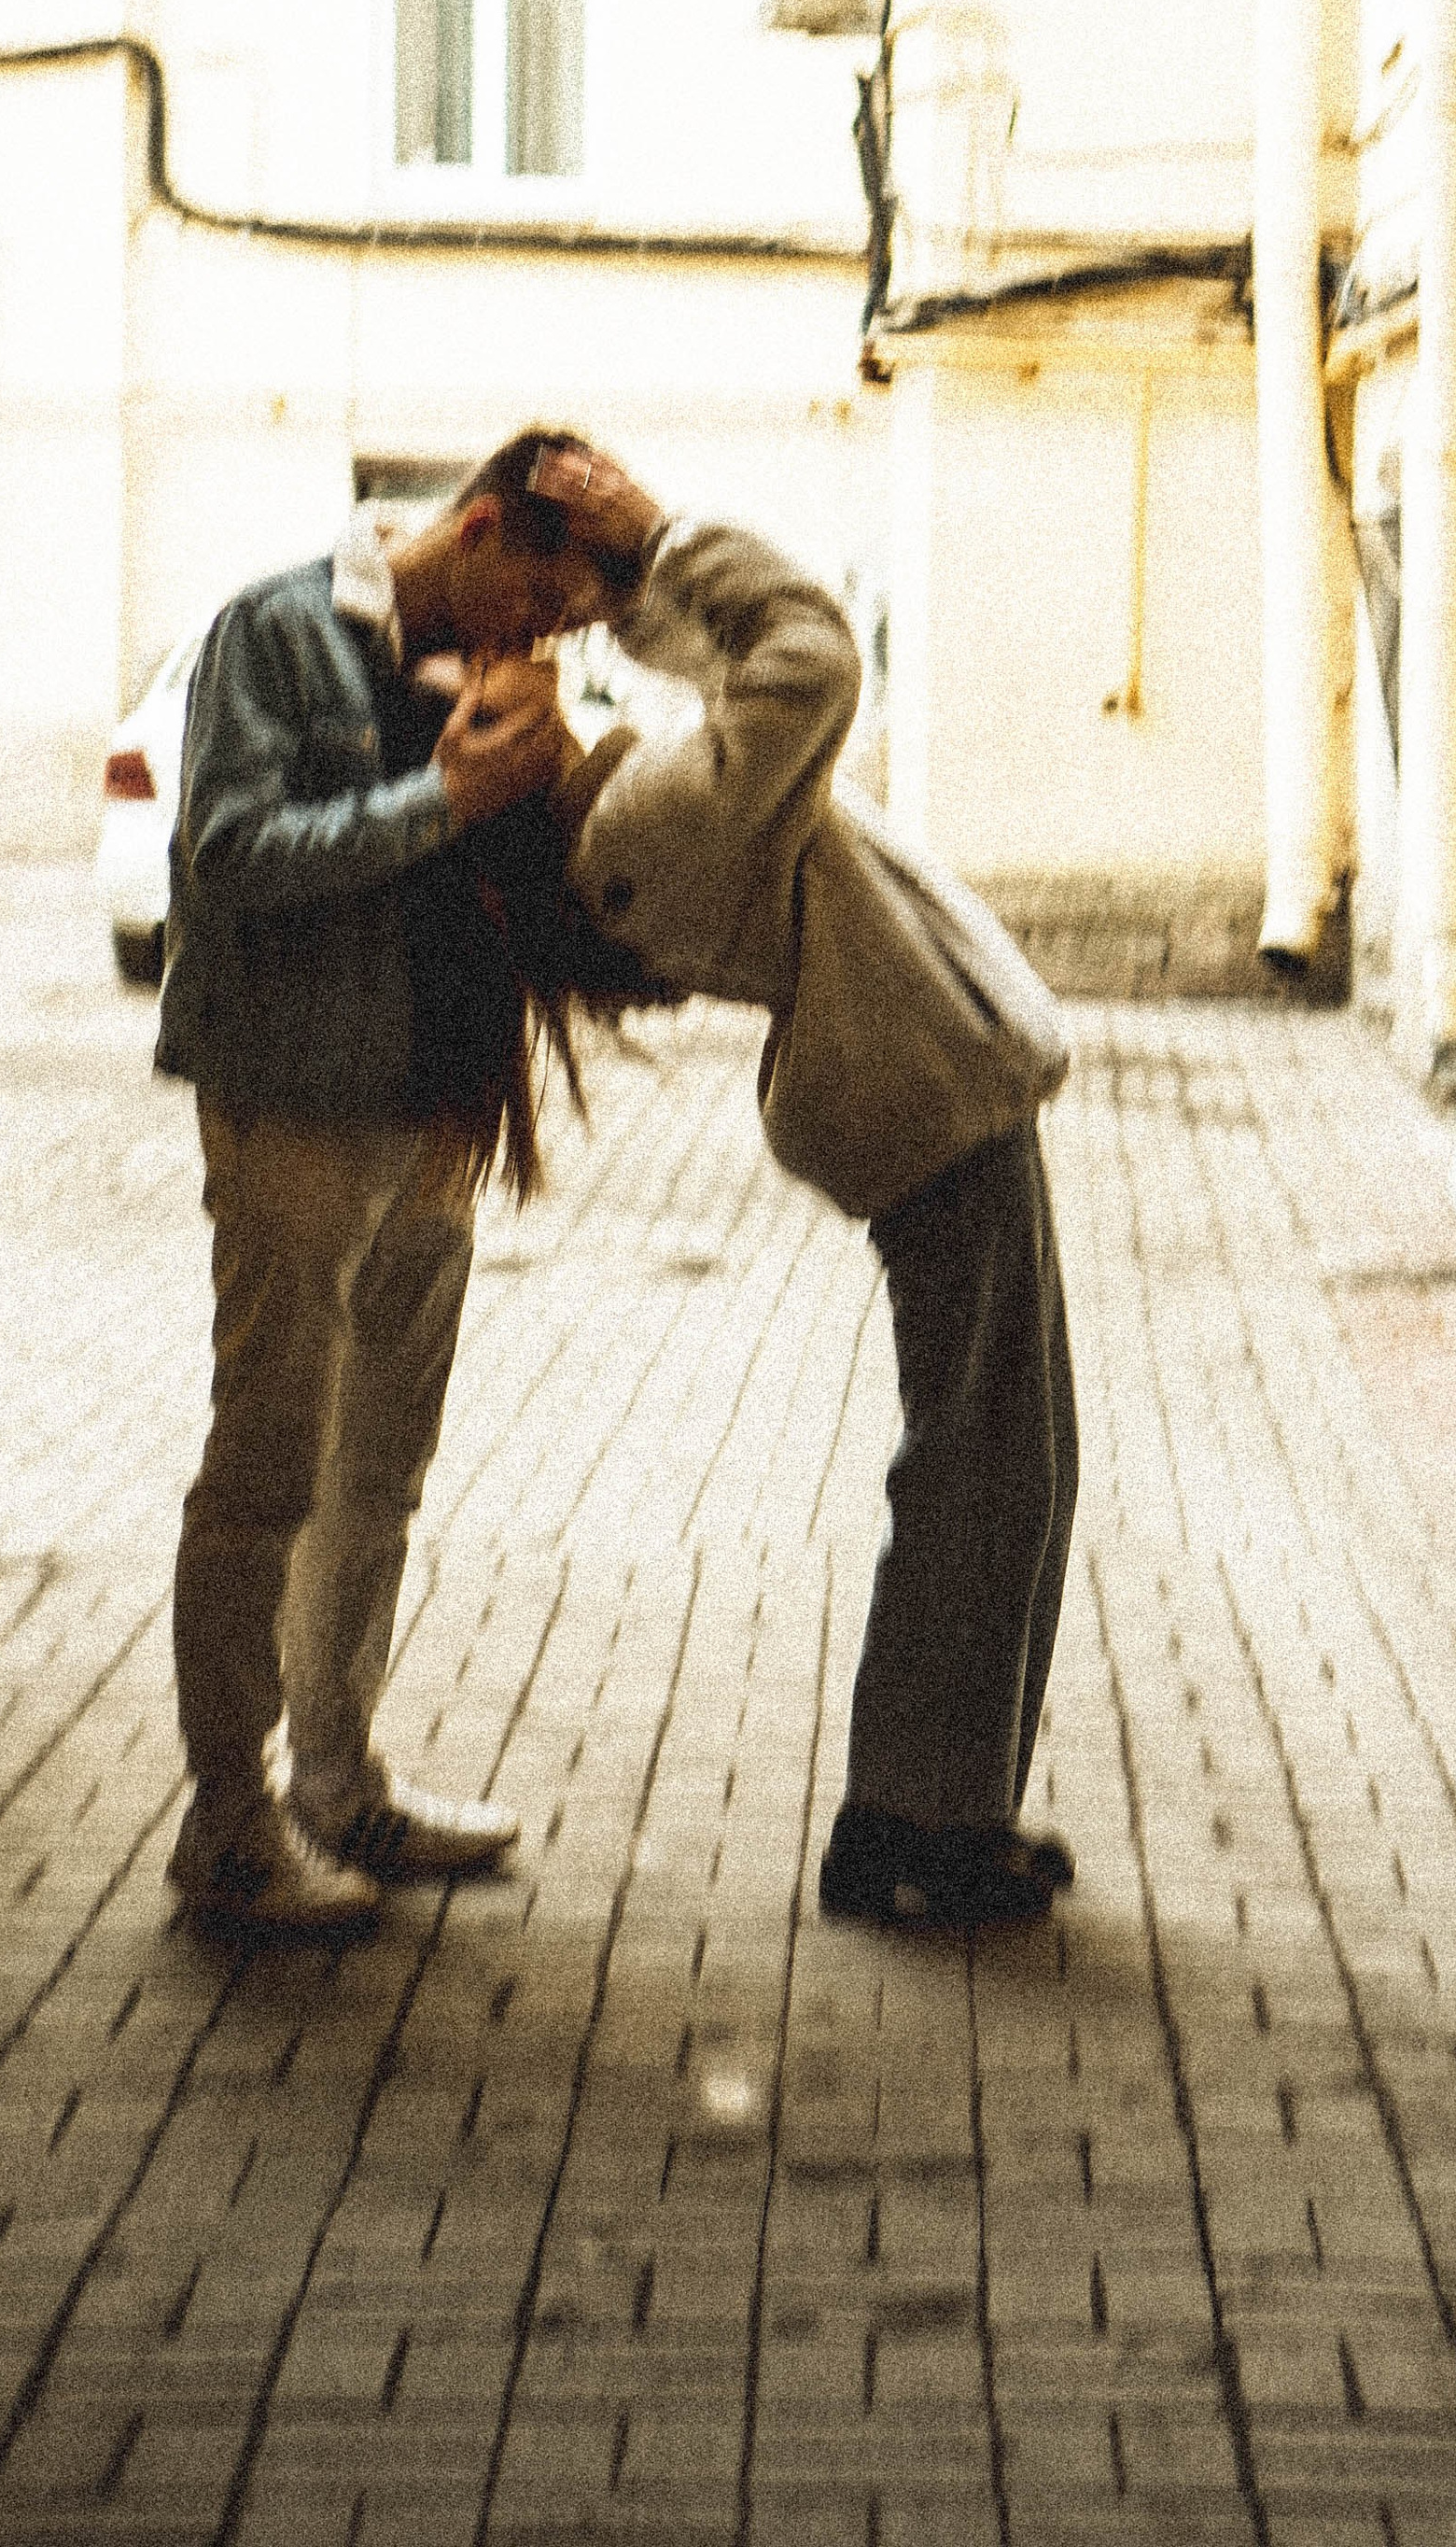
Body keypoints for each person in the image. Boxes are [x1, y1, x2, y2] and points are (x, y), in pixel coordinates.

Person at [516, 442, 1080, 1930]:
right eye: (483, 689)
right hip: (925, 1111)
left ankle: (949, 1806)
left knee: (1010, 1462)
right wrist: (664, 536)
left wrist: (634, 584)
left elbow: (739, 685)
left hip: (924, 1100)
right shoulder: (637, 830)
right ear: (493, 772)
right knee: (978, 1468)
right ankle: (911, 1822)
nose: (520, 672)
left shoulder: (632, 812)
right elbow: (806, 663)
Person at [156, 436, 597, 1935]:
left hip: (431, 1117)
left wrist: (540, 782)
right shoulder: (273, 633)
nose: (536, 638)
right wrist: (444, 799)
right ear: (473, 529)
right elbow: (225, 854)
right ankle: (226, 1828)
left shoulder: (461, 674)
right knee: (268, 1462)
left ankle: (337, 1786)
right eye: (535, 598)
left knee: (379, 1469)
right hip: (289, 1108)